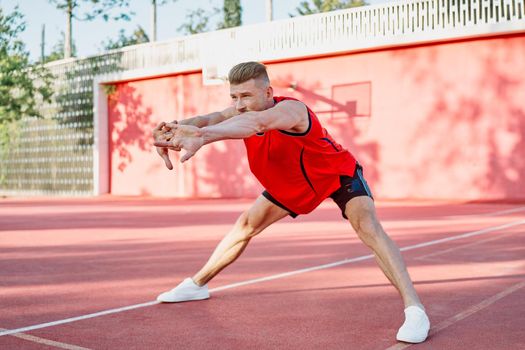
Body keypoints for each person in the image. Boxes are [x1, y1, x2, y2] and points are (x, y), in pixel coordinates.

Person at [153, 61, 430, 343]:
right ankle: (197, 284)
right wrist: (172, 130)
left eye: (246, 96)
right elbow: (209, 119)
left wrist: (201, 136)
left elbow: (255, 124)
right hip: (292, 183)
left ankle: (415, 309)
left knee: (367, 225)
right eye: (234, 97)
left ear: (268, 92)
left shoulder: (291, 110)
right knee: (246, 225)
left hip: (335, 174)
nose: (239, 104)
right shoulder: (238, 111)